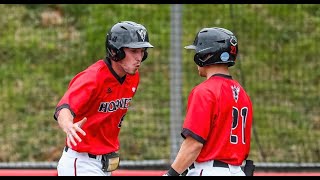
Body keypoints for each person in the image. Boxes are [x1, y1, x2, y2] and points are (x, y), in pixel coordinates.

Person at [53, 21, 153, 176]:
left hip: (104, 165)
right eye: (133, 51)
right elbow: (64, 108)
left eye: (142, 51)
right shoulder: (93, 77)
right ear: (115, 51)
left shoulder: (132, 77)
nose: (139, 57)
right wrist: (68, 125)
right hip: (82, 163)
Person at [163, 27, 254, 176]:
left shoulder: (204, 91)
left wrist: (171, 174)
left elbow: (194, 144)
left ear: (206, 55)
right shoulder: (243, 93)